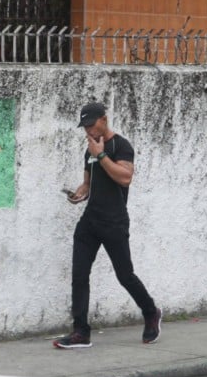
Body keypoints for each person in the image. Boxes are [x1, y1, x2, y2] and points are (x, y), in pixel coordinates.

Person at [54, 102, 161, 349]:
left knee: (125, 276)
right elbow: (88, 184)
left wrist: (101, 155)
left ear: (104, 119)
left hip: (114, 222)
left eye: (91, 125)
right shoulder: (89, 150)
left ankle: (150, 312)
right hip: (90, 221)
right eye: (85, 127)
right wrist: (78, 194)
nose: (88, 131)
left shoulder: (120, 146)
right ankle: (81, 331)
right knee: (79, 275)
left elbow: (125, 178)